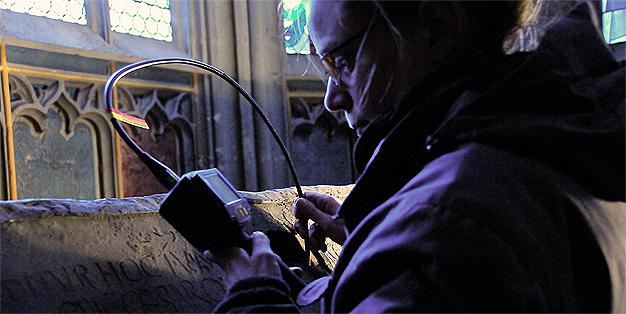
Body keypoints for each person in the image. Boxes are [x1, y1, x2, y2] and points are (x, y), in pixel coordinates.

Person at [204, 0, 625, 312]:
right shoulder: (557, 137)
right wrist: (372, 243)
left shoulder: (449, 230)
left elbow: (450, 263)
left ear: (436, 27)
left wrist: (253, 297)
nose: (331, 98)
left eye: (342, 60)